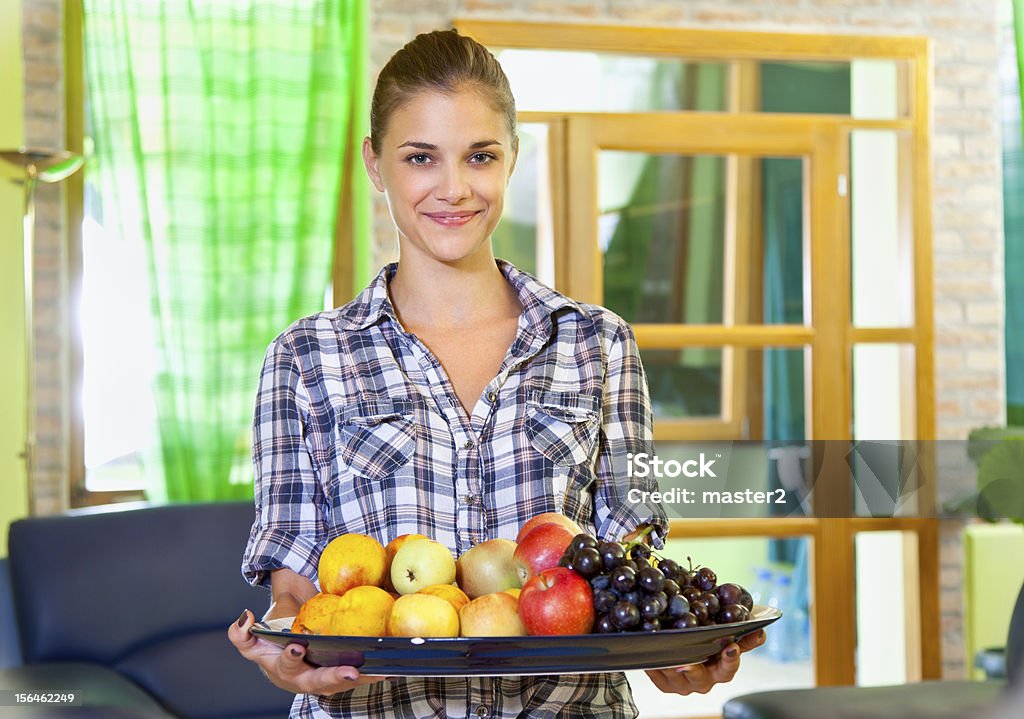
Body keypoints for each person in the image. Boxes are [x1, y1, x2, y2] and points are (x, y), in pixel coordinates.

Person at [227, 28, 765, 718]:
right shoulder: (306, 357)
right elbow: (298, 595)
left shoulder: (597, 343)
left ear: (513, 157)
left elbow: (624, 572)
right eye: (420, 157)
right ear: (374, 163)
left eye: (480, 156)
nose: (454, 188)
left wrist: (671, 654)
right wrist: (287, 660)